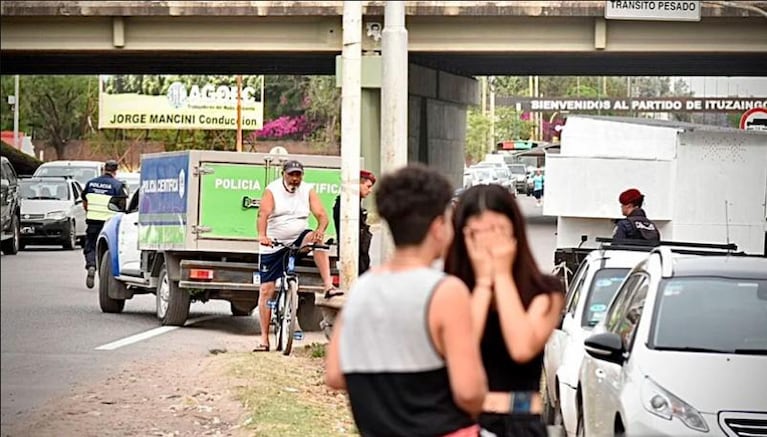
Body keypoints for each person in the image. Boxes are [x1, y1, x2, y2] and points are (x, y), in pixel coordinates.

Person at [325, 164, 487, 437]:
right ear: (438, 227)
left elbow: (335, 374)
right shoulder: (446, 291)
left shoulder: (361, 289)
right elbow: (469, 392)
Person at [444, 184, 564, 437]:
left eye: (498, 231)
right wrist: (483, 284)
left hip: (520, 421)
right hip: (458, 422)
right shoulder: (448, 289)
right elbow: (462, 350)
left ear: (515, 232)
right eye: (478, 233)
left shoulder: (545, 291)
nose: (489, 241)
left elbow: (521, 348)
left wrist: (501, 275)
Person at [254, 159, 339, 352]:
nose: (295, 179)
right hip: (274, 244)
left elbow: (321, 214)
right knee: (266, 290)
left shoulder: (308, 190)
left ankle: (328, 286)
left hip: (299, 238)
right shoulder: (272, 190)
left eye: (298, 175)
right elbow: (263, 214)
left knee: (318, 241)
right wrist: (262, 236)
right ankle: (264, 339)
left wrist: (320, 229)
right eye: (291, 174)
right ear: (284, 174)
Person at [82, 159, 128, 289]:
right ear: (115, 171)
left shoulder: (91, 183)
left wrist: (90, 212)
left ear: (104, 169)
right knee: (107, 248)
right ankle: (104, 274)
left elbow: (85, 201)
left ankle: (91, 265)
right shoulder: (118, 186)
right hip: (109, 223)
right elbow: (122, 207)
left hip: (93, 221)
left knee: (90, 246)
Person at [332, 170, 376, 275]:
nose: (370, 191)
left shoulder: (354, 204)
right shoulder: (346, 205)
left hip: (360, 259)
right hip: (353, 257)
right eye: (368, 186)